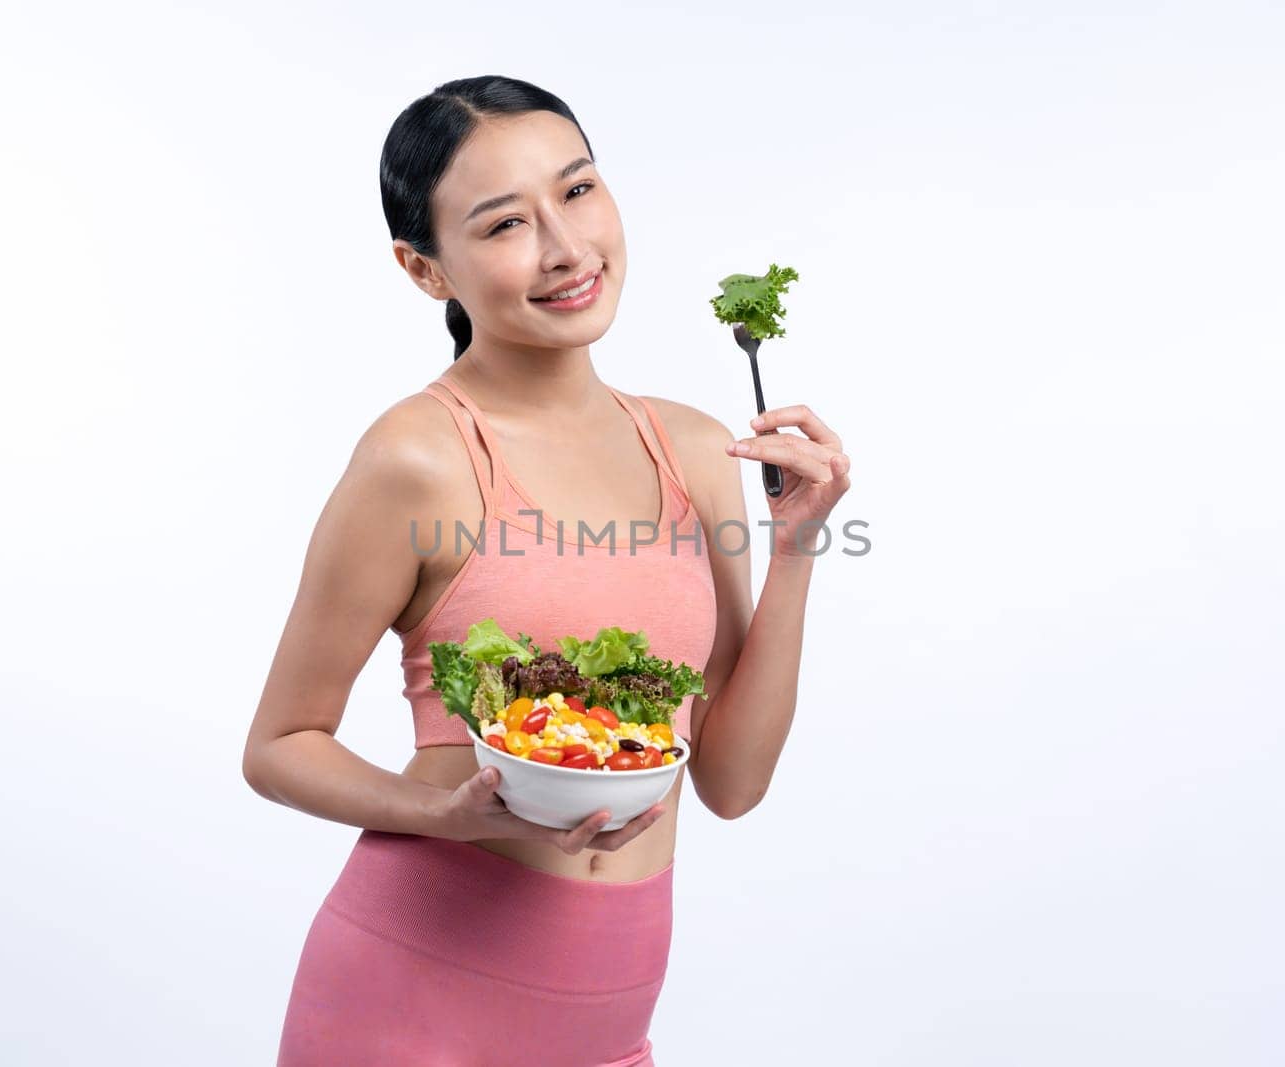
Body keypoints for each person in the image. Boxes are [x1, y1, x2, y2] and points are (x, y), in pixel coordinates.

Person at [243, 74, 853, 1066]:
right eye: (502, 225)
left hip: (606, 1030)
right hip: (410, 1013)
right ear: (423, 268)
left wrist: (794, 548)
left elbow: (731, 780)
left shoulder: (693, 446)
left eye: (576, 191)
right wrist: (443, 814)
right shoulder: (419, 457)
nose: (566, 248)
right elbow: (279, 742)